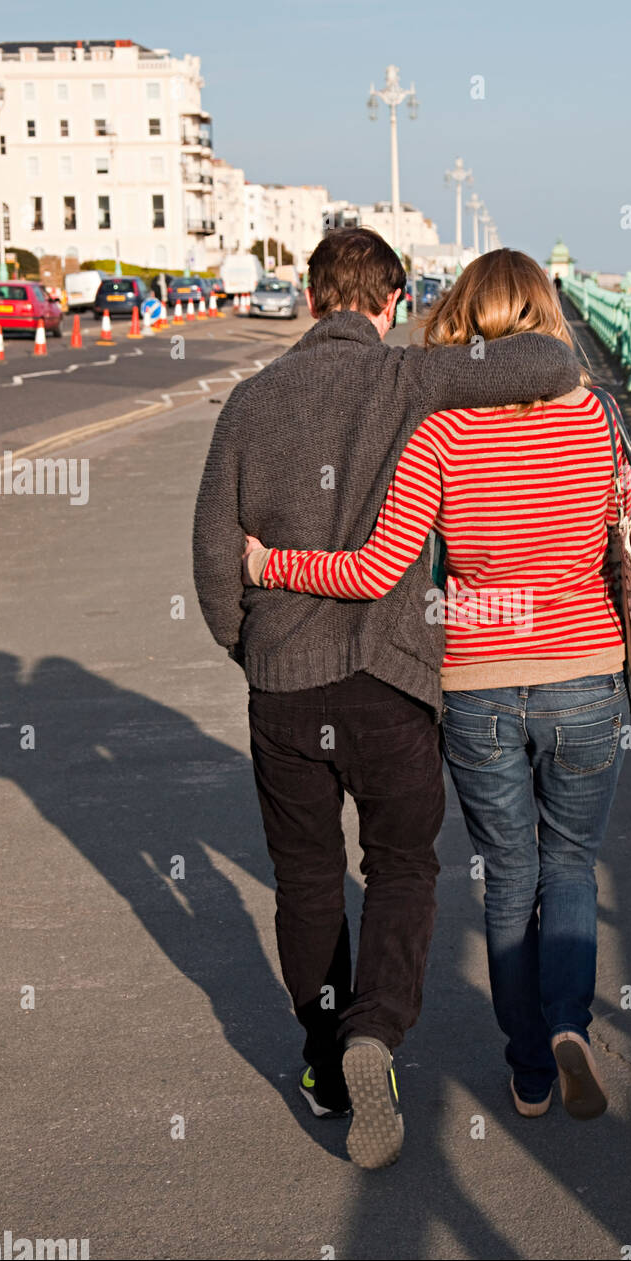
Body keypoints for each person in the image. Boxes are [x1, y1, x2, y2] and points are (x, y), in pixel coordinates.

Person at [192, 229, 580, 1170]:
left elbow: (213, 561)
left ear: (315, 297)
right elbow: (554, 362)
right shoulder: (409, 379)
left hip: (285, 689)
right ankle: (377, 1032)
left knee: (308, 879)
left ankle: (326, 1061)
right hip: (395, 682)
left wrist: (252, 647)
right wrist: (452, 346)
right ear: (390, 301)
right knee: (403, 870)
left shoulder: (248, 402)